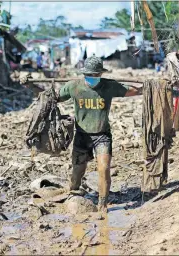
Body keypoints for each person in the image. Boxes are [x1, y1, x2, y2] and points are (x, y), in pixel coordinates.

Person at [58, 56, 142, 212]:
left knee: (103, 169)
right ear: (84, 74)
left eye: (96, 75)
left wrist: (153, 86)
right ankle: (73, 194)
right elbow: (52, 97)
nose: (92, 78)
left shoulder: (109, 87)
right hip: (82, 136)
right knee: (77, 171)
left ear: (101, 74)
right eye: (89, 75)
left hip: (102, 136)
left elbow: (133, 90)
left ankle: (102, 205)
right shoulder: (74, 87)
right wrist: (30, 86)